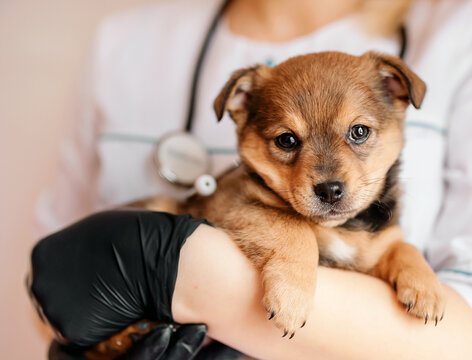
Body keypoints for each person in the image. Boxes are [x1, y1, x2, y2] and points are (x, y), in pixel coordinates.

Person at [31, 0, 472, 358]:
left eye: (358, 133)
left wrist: (407, 264)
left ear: (398, 95)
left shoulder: (452, 26)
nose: (328, 178)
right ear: (240, 113)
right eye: (287, 141)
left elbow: (458, 327)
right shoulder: (127, 39)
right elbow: (52, 266)